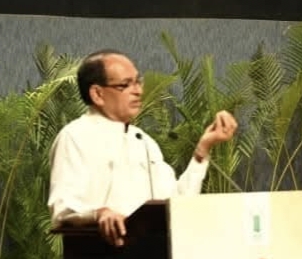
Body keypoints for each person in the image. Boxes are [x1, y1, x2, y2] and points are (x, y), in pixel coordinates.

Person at [48, 49, 237, 246]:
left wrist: (203, 149)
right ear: (97, 94)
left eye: (138, 82)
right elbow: (63, 209)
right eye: (125, 85)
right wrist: (99, 214)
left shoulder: (143, 140)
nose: (138, 91)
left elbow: (176, 203)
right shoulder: (75, 136)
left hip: (153, 251)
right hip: (100, 253)